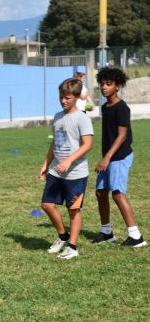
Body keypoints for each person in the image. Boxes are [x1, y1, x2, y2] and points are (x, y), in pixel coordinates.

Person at [39, 78, 94, 260]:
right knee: (47, 205)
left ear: (77, 97)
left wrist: (69, 161)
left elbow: (87, 145)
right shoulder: (57, 117)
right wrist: (46, 164)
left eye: (68, 98)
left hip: (76, 174)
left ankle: (72, 246)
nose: (63, 101)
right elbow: (55, 142)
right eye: (61, 97)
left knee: (73, 210)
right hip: (56, 170)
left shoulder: (82, 118)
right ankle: (62, 236)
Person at [92, 67, 146, 247]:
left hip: (119, 156)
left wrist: (106, 157)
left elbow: (122, 136)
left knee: (117, 193)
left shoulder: (122, 108)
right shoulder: (105, 107)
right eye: (102, 84)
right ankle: (107, 232)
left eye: (108, 84)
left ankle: (136, 236)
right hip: (108, 157)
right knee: (100, 192)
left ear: (118, 86)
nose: (104, 87)